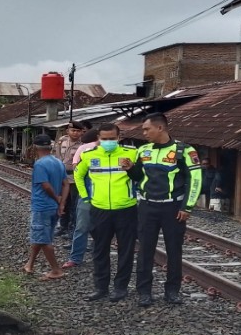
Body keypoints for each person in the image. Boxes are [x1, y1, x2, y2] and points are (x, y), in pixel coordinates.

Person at [128, 113, 202, 306]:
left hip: (173, 208)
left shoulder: (185, 150)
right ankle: (144, 292)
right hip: (146, 206)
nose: (144, 133)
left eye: (147, 129)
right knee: (145, 250)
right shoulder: (142, 150)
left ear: (160, 128)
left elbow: (195, 179)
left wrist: (187, 206)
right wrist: (130, 168)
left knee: (174, 251)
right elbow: (137, 176)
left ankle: (172, 291)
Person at [74, 123, 139, 301]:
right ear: (99, 139)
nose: (108, 142)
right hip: (99, 209)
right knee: (99, 250)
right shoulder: (89, 155)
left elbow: (142, 176)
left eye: (112, 139)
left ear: (119, 138)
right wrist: (86, 197)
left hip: (126, 209)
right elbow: (78, 175)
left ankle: (120, 288)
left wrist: (132, 171)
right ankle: (101, 288)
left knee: (125, 251)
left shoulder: (132, 153)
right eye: (105, 139)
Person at [23, 134, 68, 279]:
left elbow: (45, 185)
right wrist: (61, 203)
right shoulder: (58, 162)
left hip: (42, 206)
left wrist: (56, 197)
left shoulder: (40, 164)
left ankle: (56, 270)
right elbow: (66, 184)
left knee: (43, 239)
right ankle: (30, 264)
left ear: (35, 147)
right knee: (41, 235)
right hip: (53, 207)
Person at [63, 127, 100, 269]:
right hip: (92, 196)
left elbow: (75, 169)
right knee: (99, 229)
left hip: (89, 196)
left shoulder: (83, 148)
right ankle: (96, 255)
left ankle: (75, 258)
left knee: (81, 227)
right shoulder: (86, 150)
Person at [55, 122, 85, 237]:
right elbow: (56, 156)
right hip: (62, 178)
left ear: (82, 132)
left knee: (73, 204)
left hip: (74, 179)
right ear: (68, 131)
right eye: (73, 130)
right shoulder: (61, 141)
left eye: (78, 131)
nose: (76, 133)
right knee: (63, 202)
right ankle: (63, 226)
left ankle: (72, 229)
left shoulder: (83, 145)